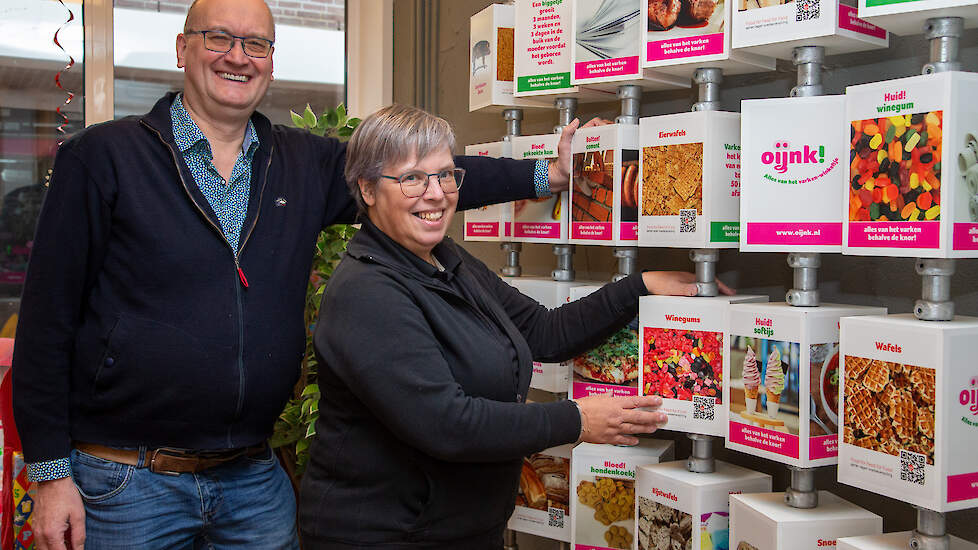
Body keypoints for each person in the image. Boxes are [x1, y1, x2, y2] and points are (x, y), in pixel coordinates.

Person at [10, 0, 595, 548]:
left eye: (257, 45)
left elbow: (420, 172)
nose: (238, 56)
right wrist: (51, 475)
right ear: (182, 48)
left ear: (271, 63)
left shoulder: (302, 163)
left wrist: (546, 176)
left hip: (253, 481)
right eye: (220, 38)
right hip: (126, 483)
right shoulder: (103, 158)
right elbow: (46, 322)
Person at [299, 105, 732, 549]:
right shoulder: (367, 293)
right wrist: (577, 420)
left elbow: (545, 332)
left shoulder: (446, 258)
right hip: (387, 537)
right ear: (368, 190)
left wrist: (639, 286)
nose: (436, 193)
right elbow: (448, 424)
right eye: (412, 178)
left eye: (446, 175)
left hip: (461, 530)